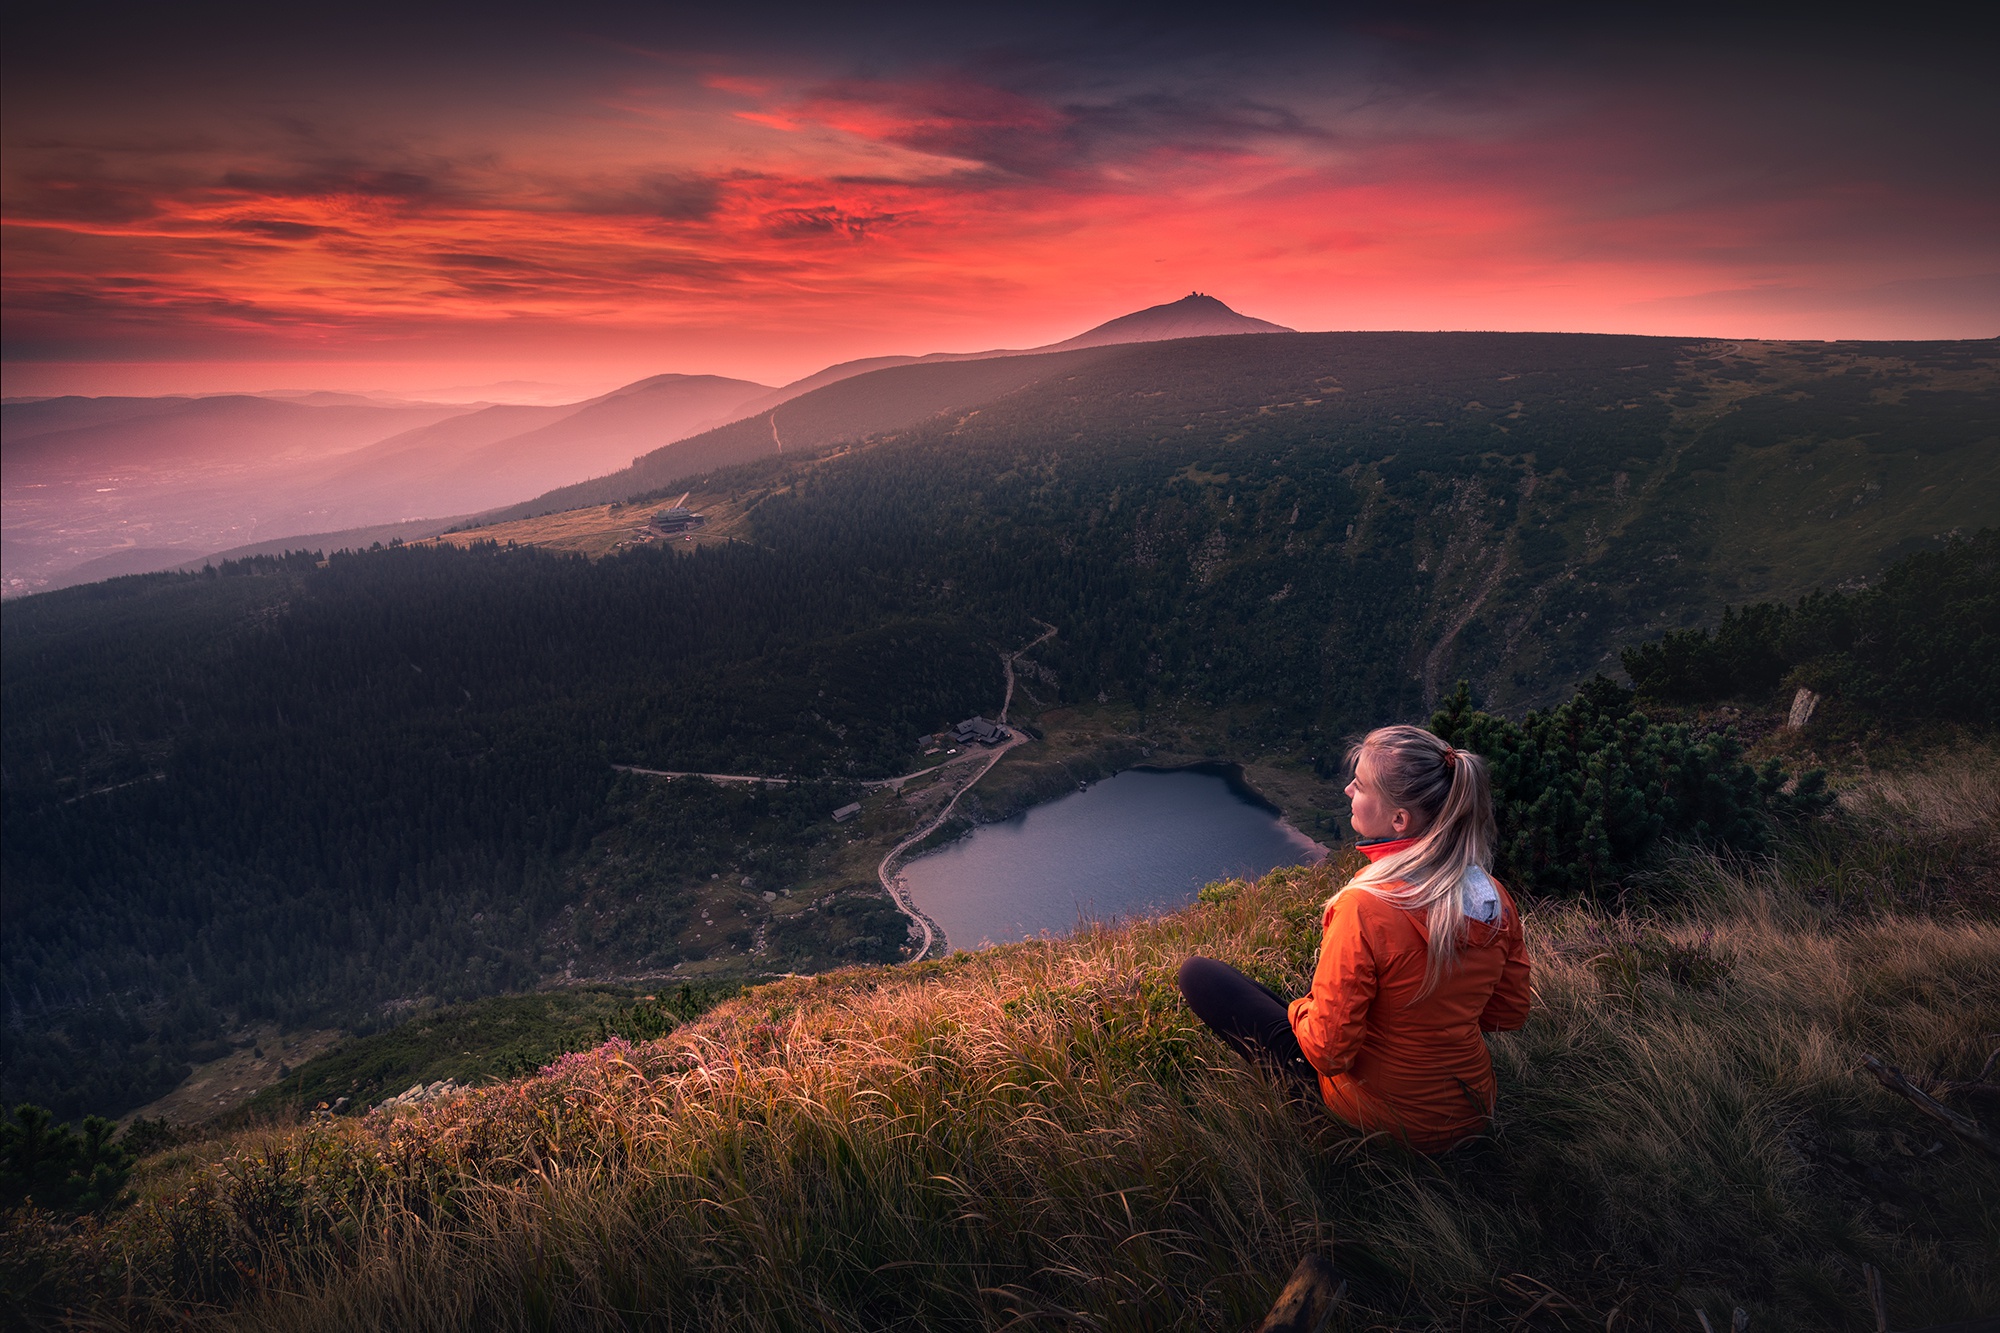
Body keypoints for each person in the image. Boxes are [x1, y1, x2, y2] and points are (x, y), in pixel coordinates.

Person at [1177, 724, 1530, 1152]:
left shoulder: (1366, 906)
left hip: (1385, 1121)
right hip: (1473, 1109)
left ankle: (1316, 1118)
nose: (1347, 790)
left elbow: (1328, 1054)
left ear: (1399, 820)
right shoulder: (1493, 898)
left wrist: (1304, 1007)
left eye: (1360, 786)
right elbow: (1506, 1014)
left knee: (1200, 975)